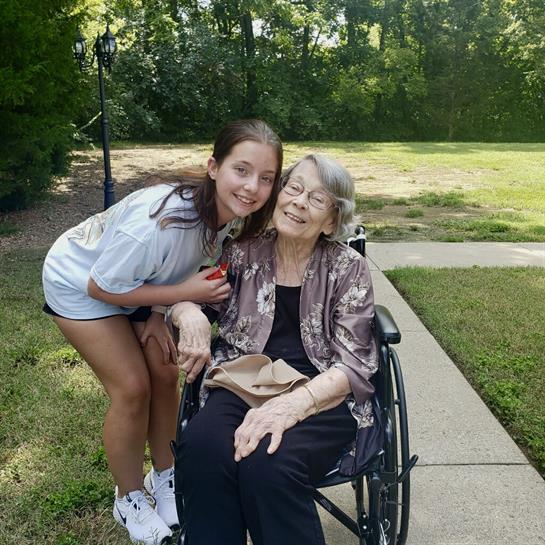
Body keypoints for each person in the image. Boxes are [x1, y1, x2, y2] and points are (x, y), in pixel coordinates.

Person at [42, 119, 283, 545]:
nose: (251, 187)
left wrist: (157, 312)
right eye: (241, 170)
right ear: (213, 166)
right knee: (133, 387)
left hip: (138, 284)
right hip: (79, 283)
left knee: (165, 370)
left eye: (266, 178)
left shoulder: (227, 214)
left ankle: (165, 475)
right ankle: (129, 497)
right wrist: (182, 294)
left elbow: (179, 264)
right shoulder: (159, 222)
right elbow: (102, 286)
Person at [171, 154, 378, 545]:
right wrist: (188, 313)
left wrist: (289, 406)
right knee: (203, 447)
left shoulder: (348, 268)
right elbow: (195, 298)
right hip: (241, 380)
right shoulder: (242, 252)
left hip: (321, 393)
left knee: (268, 463)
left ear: (332, 220)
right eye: (293, 188)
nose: (299, 202)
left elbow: (354, 364)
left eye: (317, 199)